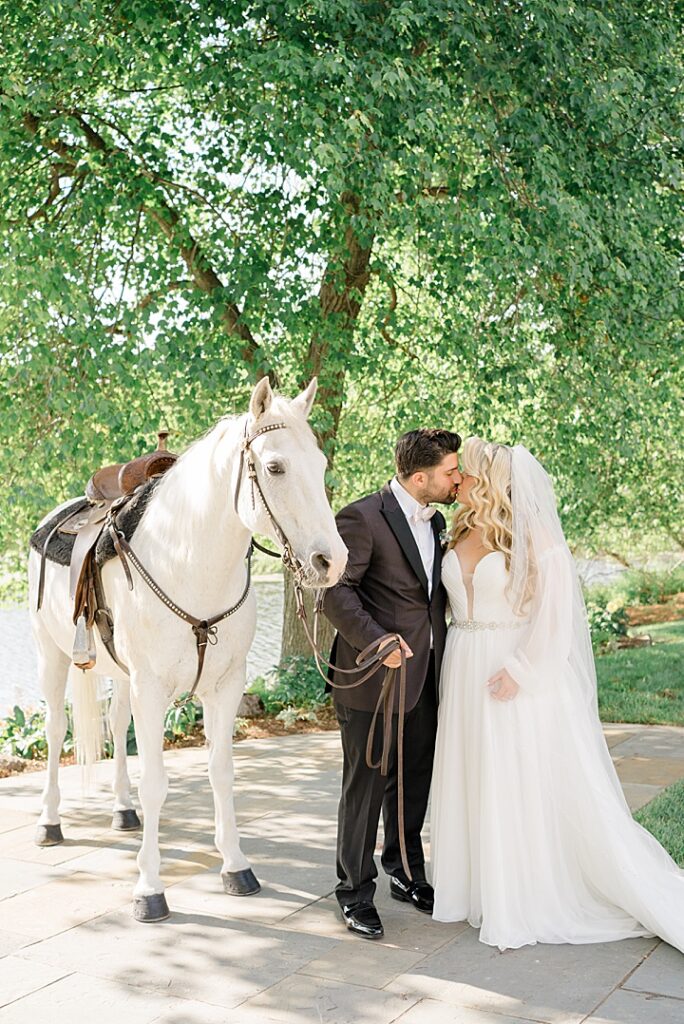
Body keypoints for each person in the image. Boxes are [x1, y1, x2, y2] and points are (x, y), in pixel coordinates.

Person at [431, 437, 684, 952]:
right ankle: (476, 886)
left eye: (464, 475)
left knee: (512, 780)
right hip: (462, 666)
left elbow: (557, 612)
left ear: (486, 480)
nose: (454, 481)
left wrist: (521, 669)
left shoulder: (531, 532)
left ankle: (523, 892)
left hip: (512, 669)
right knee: (474, 774)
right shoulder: (457, 528)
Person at [323, 428, 462, 939]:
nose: (458, 478)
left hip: (427, 674)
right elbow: (336, 593)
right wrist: (378, 640)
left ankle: (404, 872)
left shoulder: (439, 519)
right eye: (451, 470)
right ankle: (354, 892)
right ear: (420, 476)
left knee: (412, 782)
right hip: (372, 681)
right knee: (365, 787)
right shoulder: (360, 517)